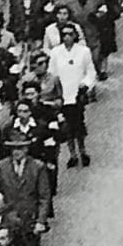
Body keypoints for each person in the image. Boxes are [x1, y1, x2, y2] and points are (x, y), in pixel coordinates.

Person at [45, 19, 97, 169]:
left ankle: (83, 151)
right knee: (67, 127)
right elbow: (52, 73)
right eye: (64, 34)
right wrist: (55, 93)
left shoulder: (83, 51)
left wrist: (85, 84)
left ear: (75, 35)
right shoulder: (56, 52)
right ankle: (72, 154)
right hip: (63, 95)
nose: (67, 37)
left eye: (70, 34)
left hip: (77, 94)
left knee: (78, 125)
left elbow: (90, 72)